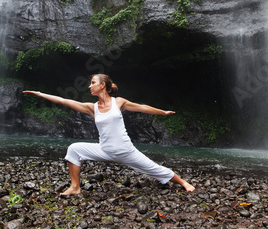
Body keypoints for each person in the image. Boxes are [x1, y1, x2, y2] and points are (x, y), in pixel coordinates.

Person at [23, 74, 195, 195]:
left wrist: (163, 112)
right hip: (105, 150)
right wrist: (39, 94)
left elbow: (142, 107)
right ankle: (75, 187)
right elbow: (64, 101)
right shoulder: (92, 107)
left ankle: (184, 183)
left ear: (102, 85)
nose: (89, 86)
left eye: (92, 82)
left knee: (155, 169)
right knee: (74, 149)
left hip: (125, 151)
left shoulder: (118, 102)